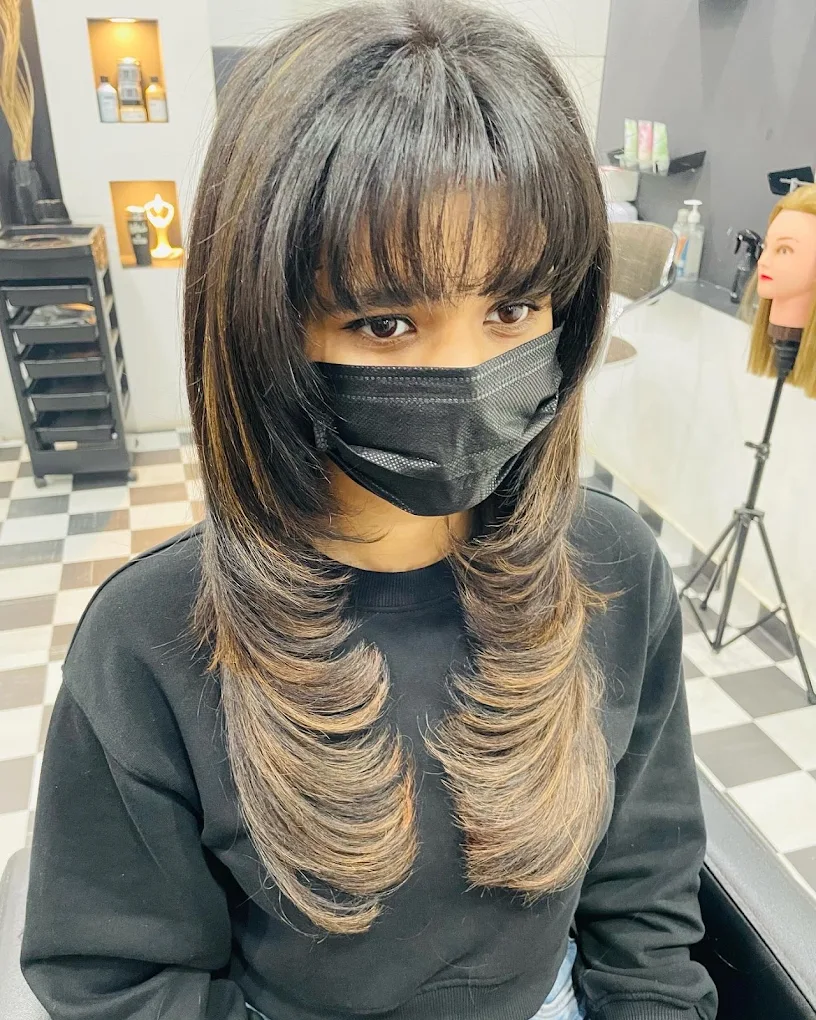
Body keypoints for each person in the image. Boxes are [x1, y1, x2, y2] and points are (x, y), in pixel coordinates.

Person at [22, 3, 717, 1019]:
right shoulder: (149, 643)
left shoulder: (613, 565)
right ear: (267, 326)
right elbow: (116, 978)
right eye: (385, 322)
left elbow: (645, 899)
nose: (468, 373)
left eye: (513, 308)